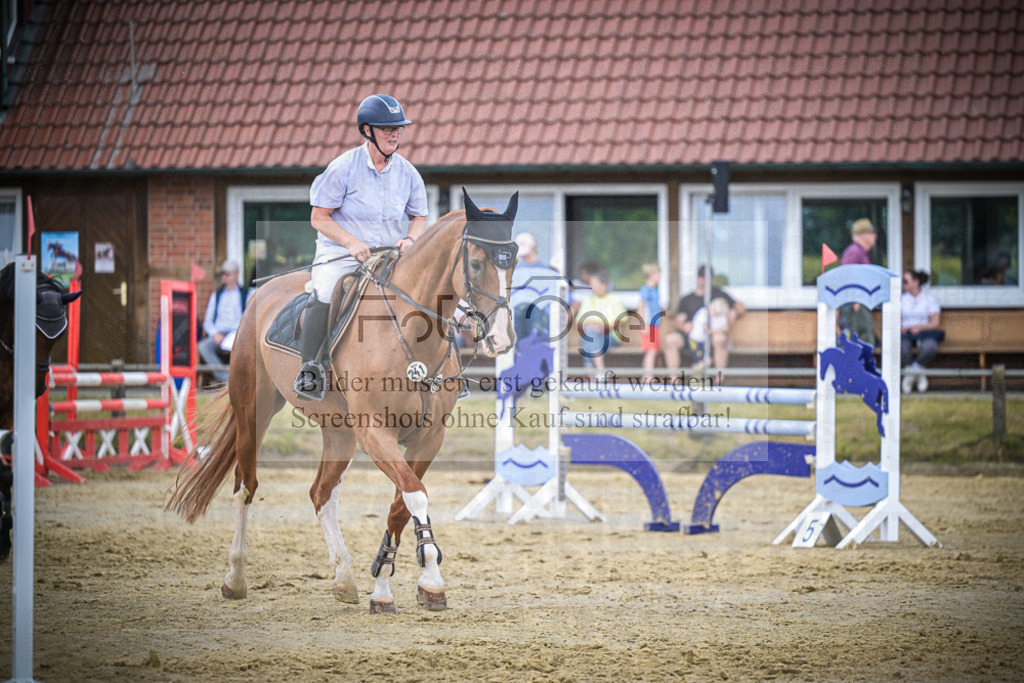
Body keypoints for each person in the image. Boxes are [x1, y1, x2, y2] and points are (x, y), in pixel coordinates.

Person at [296, 94, 428, 400]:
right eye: (387, 129)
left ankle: (433, 371)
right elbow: (319, 216)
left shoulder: (408, 172)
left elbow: (419, 216)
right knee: (327, 290)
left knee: (421, 294)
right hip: (341, 253)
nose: (395, 134)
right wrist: (351, 242)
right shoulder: (343, 168)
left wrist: (410, 239)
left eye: (399, 129)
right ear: (367, 130)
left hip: (388, 256)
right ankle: (310, 368)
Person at [662, 265, 745, 372]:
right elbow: (678, 321)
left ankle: (720, 379)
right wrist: (683, 325)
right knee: (670, 340)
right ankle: (674, 381)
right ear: (697, 278)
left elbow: (741, 308)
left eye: (707, 278)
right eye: (701, 277)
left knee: (719, 339)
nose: (704, 281)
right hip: (691, 336)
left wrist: (734, 311)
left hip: (712, 334)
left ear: (712, 278)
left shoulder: (719, 294)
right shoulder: (687, 299)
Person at [199, 259, 249, 385]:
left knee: (242, 346)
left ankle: (241, 378)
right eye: (223, 274)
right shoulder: (216, 295)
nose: (225, 277)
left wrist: (237, 333)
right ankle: (225, 379)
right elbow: (207, 321)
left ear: (236, 274)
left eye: (228, 274)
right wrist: (214, 333)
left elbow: (248, 320)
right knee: (203, 347)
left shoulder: (246, 294)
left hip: (237, 333)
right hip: (219, 333)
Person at [509, 232, 559, 344]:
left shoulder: (549, 271)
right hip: (518, 318)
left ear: (534, 247)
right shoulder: (514, 271)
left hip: (541, 318)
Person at [575, 270, 626, 374]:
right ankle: (600, 371)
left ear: (605, 285)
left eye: (595, 285)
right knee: (590, 335)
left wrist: (604, 328)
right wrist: (591, 325)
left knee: (589, 339)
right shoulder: (588, 300)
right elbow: (579, 322)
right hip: (591, 335)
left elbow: (620, 321)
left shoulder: (615, 300)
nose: (592, 288)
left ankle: (592, 377)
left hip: (609, 337)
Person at [901, 269, 943, 394]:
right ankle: (919, 375)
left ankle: (910, 375)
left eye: (905, 281)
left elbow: (935, 323)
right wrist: (900, 327)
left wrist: (919, 327)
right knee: (901, 347)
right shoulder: (901, 299)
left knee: (930, 347)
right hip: (906, 333)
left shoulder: (929, 299)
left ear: (916, 282)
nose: (903, 284)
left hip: (924, 332)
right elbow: (894, 320)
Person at [839, 217, 878, 346]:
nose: (875, 236)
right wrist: (856, 300)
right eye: (872, 233)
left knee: (863, 335)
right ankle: (862, 365)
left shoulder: (860, 252)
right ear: (863, 234)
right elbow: (846, 277)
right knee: (863, 335)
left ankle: (862, 365)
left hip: (859, 301)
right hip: (856, 303)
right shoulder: (854, 252)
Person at [636, 263, 663, 382]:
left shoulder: (654, 290)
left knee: (653, 350)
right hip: (648, 325)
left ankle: (647, 375)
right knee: (651, 350)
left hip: (655, 325)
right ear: (651, 274)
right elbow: (641, 307)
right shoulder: (645, 289)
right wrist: (643, 324)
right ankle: (648, 377)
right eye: (658, 274)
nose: (660, 277)